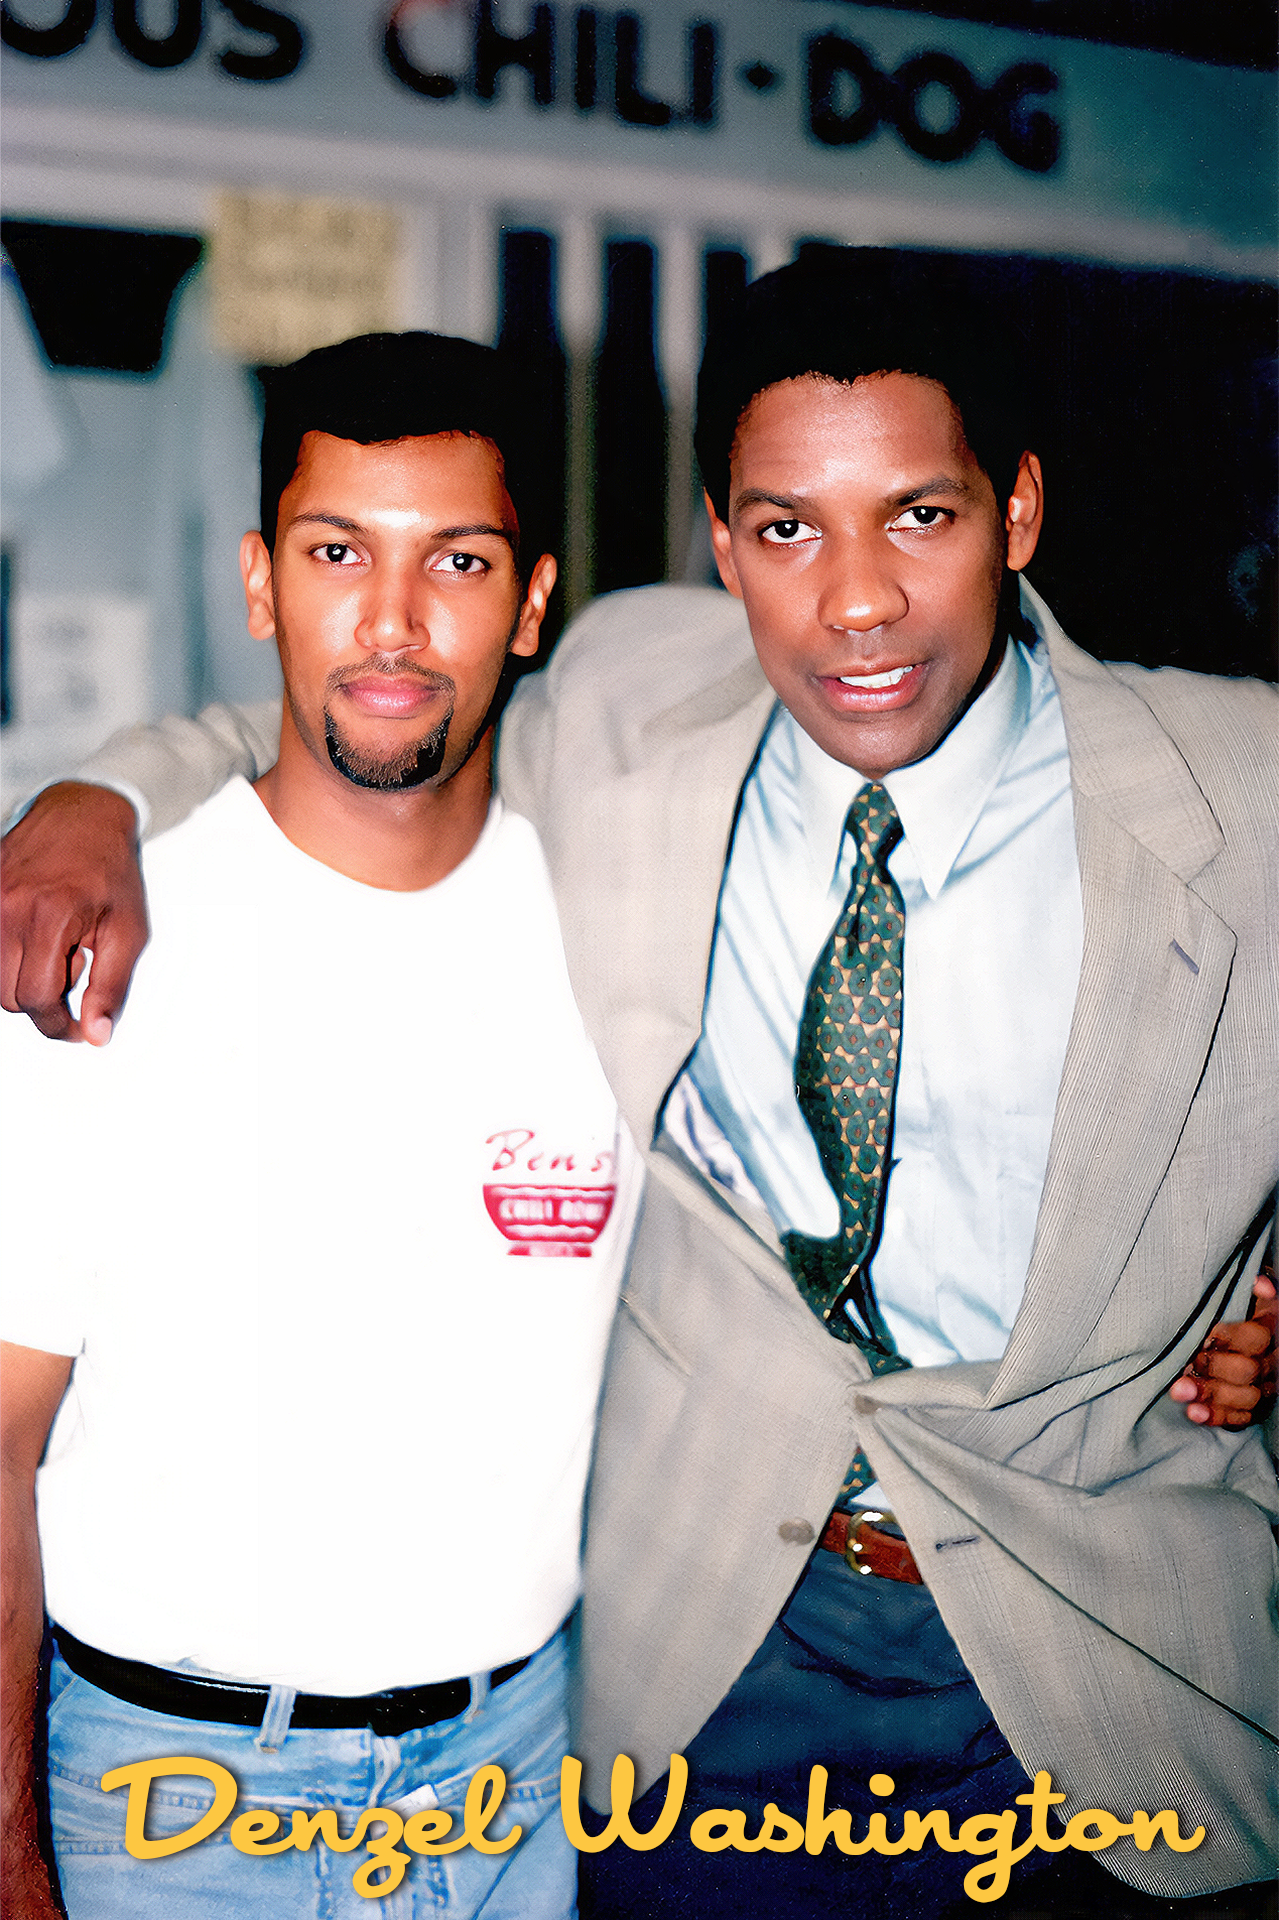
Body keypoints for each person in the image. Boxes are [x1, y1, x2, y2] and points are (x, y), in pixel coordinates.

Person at [3, 259, 1278, 1915]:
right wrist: (94, 791)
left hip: (1114, 1680)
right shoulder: (625, 714)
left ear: (1017, 511)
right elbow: (364, 708)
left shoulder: (1240, 793)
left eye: (918, 516)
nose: (857, 602)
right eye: (785, 528)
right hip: (709, 1672)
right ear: (719, 537)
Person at [0, 330, 642, 1920]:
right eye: (338, 551)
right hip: (175, 1810)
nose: (395, 623)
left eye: (460, 561)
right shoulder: (105, 945)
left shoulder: (620, 930)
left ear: (534, 600)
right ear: (258, 581)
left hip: (519, 1784)